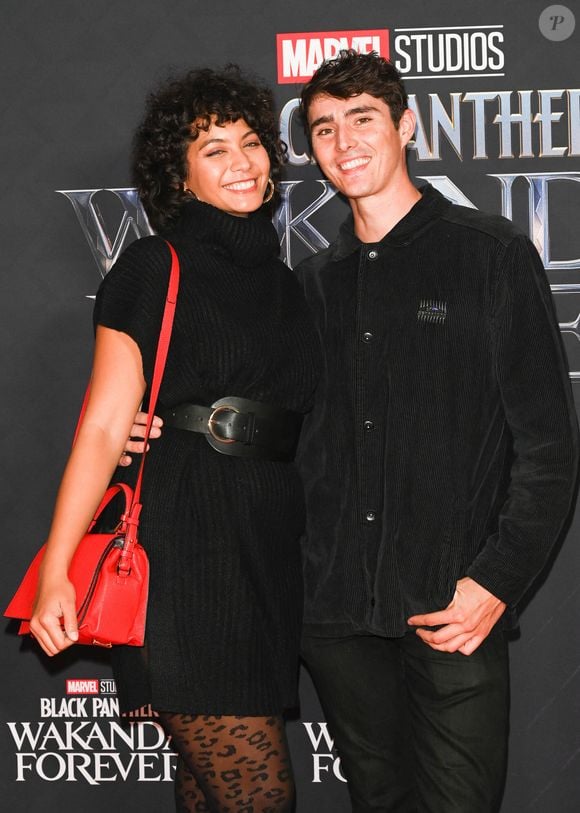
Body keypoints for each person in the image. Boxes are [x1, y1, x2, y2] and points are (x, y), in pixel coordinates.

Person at [124, 52, 579, 812]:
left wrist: (496, 582)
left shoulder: (491, 256)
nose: (344, 142)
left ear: (407, 127)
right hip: (332, 616)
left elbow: (548, 447)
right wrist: (161, 425)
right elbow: (261, 420)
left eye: (362, 119)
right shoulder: (307, 286)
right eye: (324, 129)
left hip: (450, 607)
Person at [28, 65, 320, 813]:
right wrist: (57, 570)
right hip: (185, 545)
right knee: (259, 795)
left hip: (267, 543)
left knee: (208, 792)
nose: (243, 162)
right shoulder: (156, 265)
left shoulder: (288, 284)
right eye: (214, 149)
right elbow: (101, 425)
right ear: (180, 177)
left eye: (250, 142)